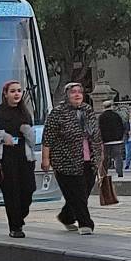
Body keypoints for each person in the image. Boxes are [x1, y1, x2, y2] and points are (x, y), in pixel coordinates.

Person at [42, 82, 102, 235]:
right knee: (77, 193)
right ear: (67, 95)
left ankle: (66, 216)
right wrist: (45, 159)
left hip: (89, 158)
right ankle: (85, 223)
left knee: (84, 191)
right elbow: (47, 138)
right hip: (66, 160)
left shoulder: (87, 110)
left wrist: (101, 156)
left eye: (80, 92)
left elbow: (96, 134)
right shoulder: (58, 112)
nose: (77, 95)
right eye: (73, 92)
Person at [0, 81, 37, 238]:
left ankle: (20, 217)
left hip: (25, 158)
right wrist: (1, 136)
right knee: (11, 193)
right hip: (5, 159)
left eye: (19, 91)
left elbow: (32, 141)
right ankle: (15, 227)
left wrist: (27, 131)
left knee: (28, 189)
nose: (17, 94)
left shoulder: (25, 113)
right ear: (5, 93)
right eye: (13, 91)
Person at [98, 100, 126, 178]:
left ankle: (104, 173)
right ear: (111, 106)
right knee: (118, 157)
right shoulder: (117, 115)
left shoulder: (101, 117)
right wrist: (120, 136)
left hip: (106, 141)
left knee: (105, 158)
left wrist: (101, 139)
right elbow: (122, 126)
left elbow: (99, 129)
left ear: (103, 107)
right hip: (117, 140)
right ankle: (120, 172)